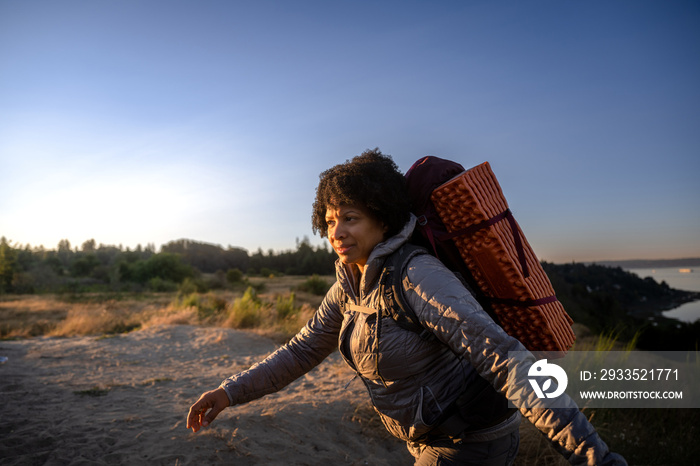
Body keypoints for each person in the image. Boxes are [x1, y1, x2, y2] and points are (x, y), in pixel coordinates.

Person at [187, 149, 626, 465]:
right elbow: (302, 350)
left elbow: (506, 361)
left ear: (383, 218)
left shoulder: (417, 275)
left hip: (470, 443)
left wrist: (593, 456)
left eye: (351, 217)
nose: (336, 230)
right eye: (330, 219)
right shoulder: (350, 284)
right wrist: (230, 392)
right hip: (430, 441)